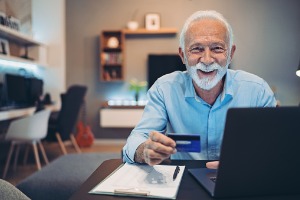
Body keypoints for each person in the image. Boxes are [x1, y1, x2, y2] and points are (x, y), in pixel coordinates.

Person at [122, 10, 277, 167]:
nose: (207, 60)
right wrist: (145, 150)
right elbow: (137, 139)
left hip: (242, 175)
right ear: (183, 55)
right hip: (182, 179)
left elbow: (276, 146)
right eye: (197, 49)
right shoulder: (164, 89)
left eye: (217, 48)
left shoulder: (258, 91)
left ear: (230, 54)